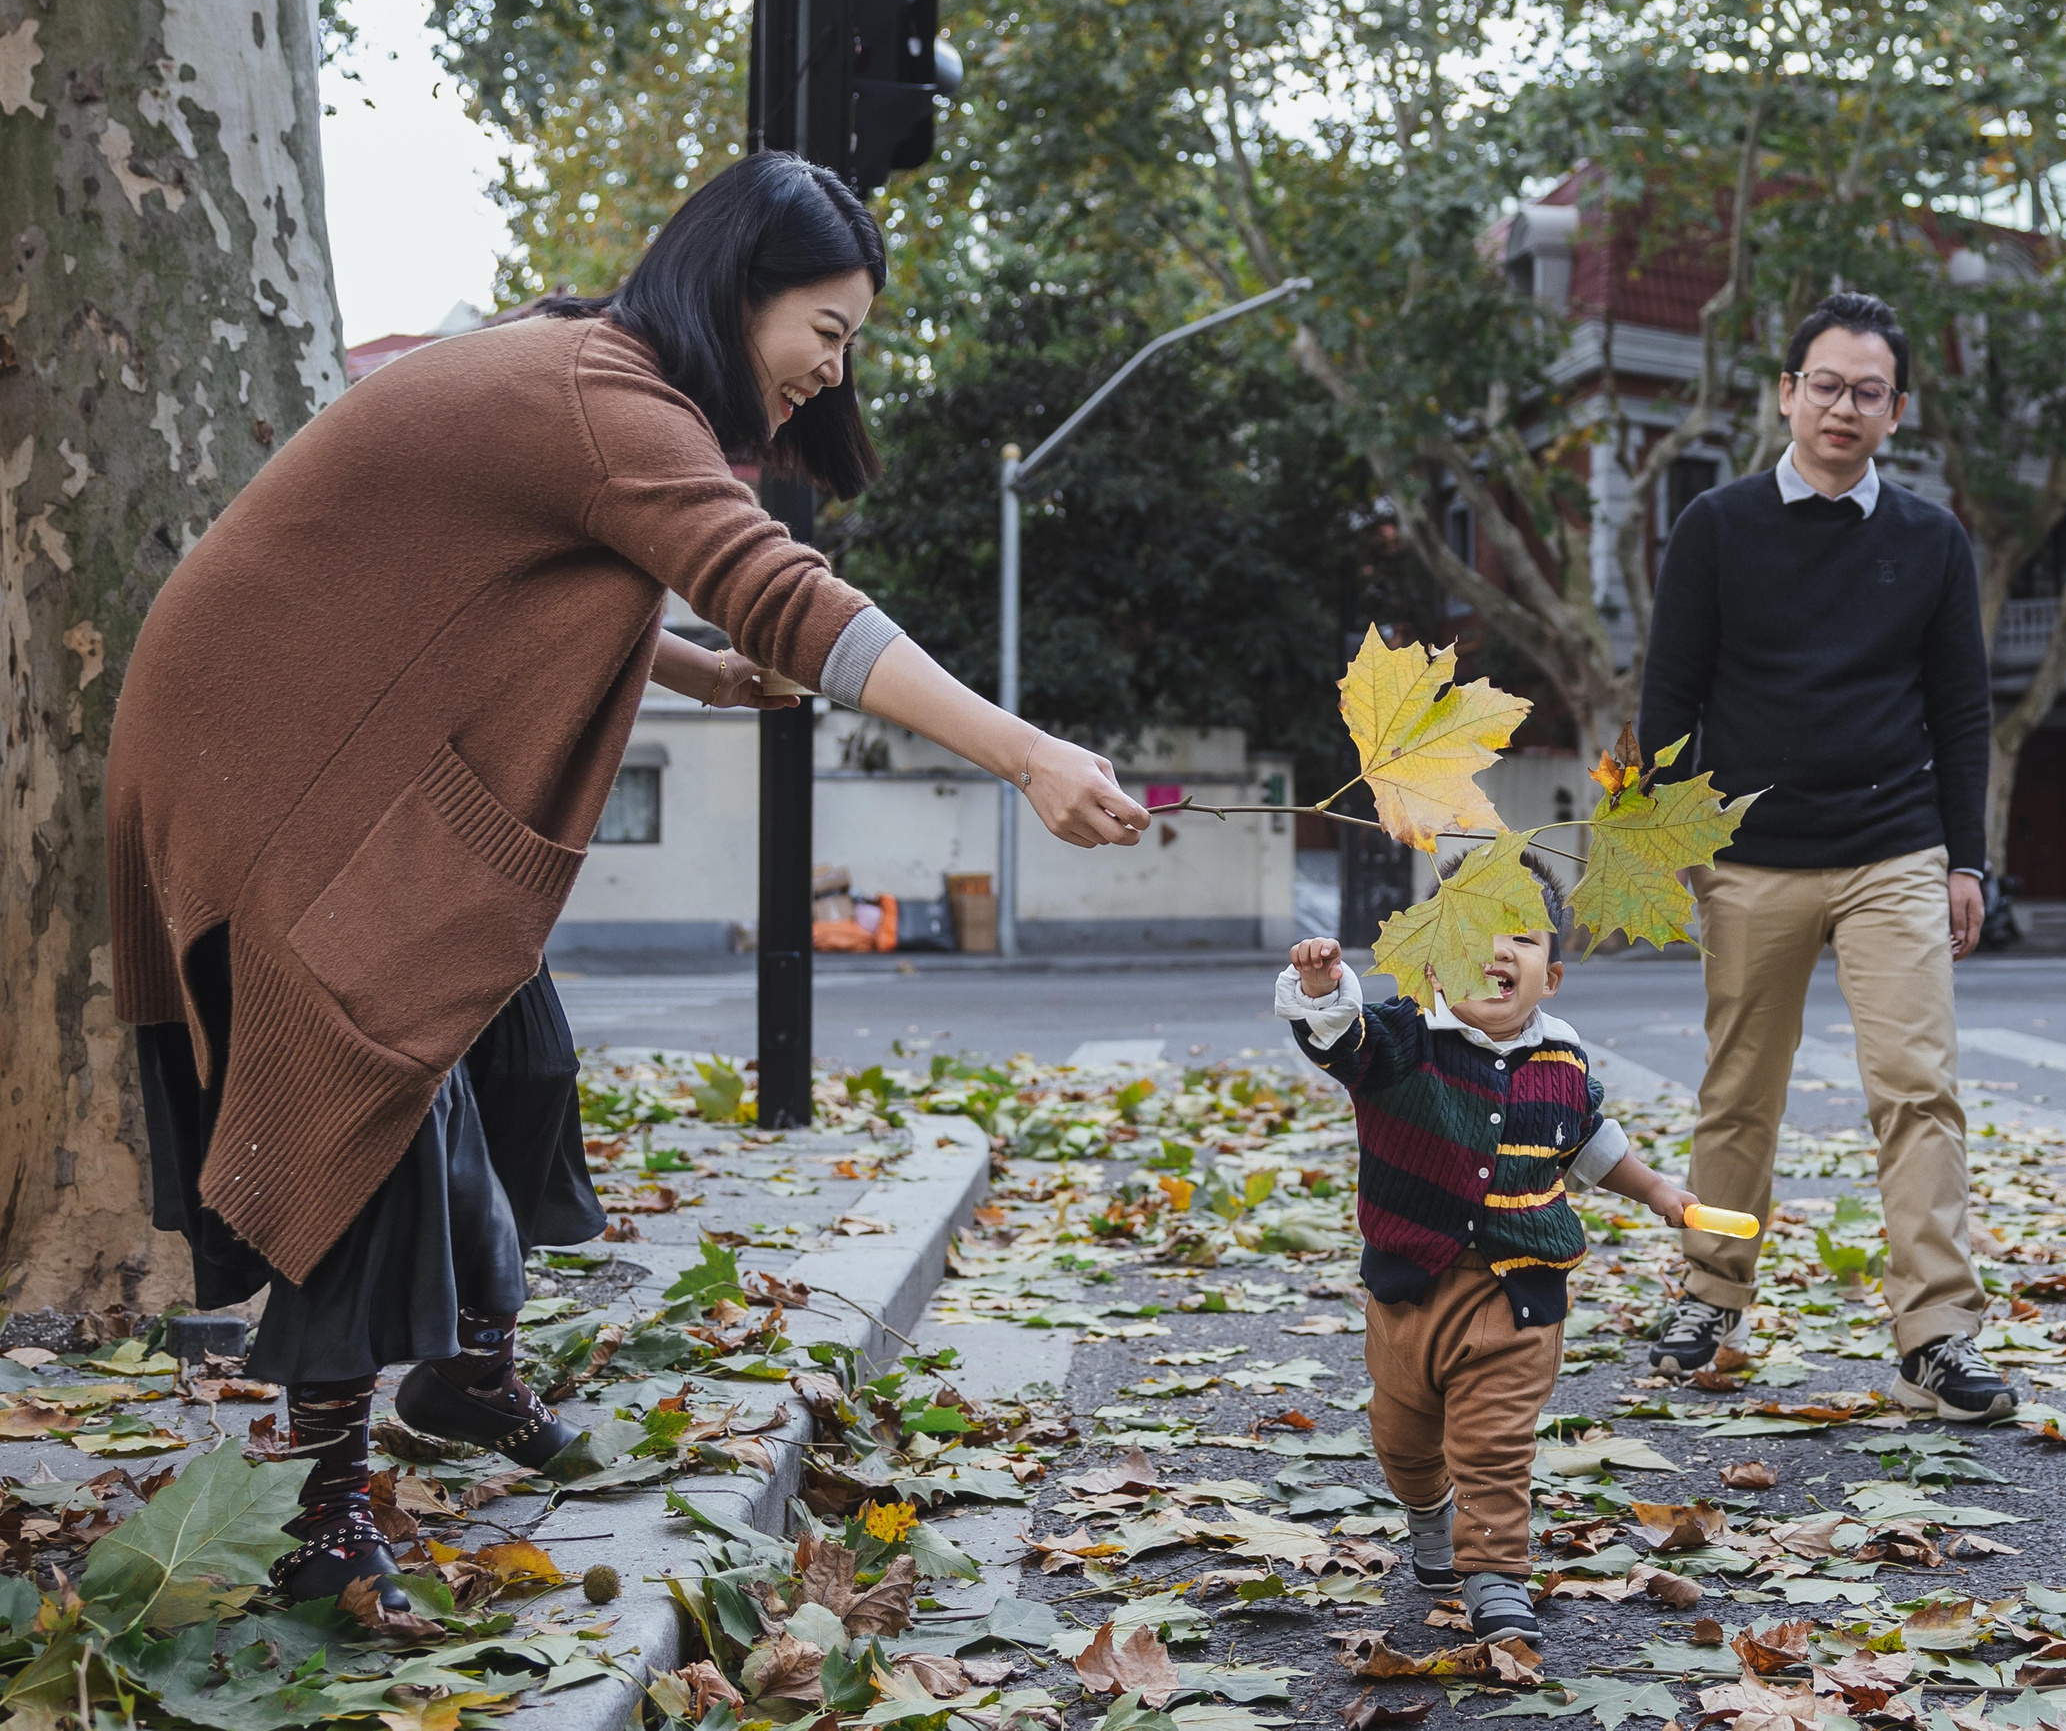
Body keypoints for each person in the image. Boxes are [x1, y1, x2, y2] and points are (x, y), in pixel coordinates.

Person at [105, 151, 1152, 1621]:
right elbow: (784, 585)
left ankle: (471, 1373)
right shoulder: (609, 393)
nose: (826, 371)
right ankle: (324, 1519)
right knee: (377, 1081)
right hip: (265, 750)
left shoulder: (586, 374)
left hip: (310, 730)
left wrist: (692, 670)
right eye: (827, 333)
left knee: (512, 1034)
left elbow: (496, 571)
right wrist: (1026, 753)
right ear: (741, 291)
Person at [1635, 290, 2013, 1421]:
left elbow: (1961, 712)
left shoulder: (1931, 539)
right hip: (1748, 859)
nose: (1844, 406)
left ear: (1898, 410)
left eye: (1869, 390)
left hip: (1894, 847)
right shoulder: (1715, 525)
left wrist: (1967, 859)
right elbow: (1671, 697)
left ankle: (1936, 1333)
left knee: (1918, 1089)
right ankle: (1708, 1295)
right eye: (1826, 384)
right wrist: (1663, 843)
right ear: (1786, 392)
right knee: (1738, 1093)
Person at [1275, 860, 1695, 1646]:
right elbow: (1340, 1043)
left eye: (1523, 937)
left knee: (1493, 1442)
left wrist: (1660, 1191)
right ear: (1433, 955)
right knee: (1404, 1441)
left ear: (1553, 975)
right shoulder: (1402, 1039)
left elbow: (1589, 1143)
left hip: (1517, 1292)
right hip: (1410, 1293)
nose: (1498, 951)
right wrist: (1326, 990)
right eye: (1475, 930)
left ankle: (1495, 1573)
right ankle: (1429, 1517)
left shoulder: (1562, 1062)